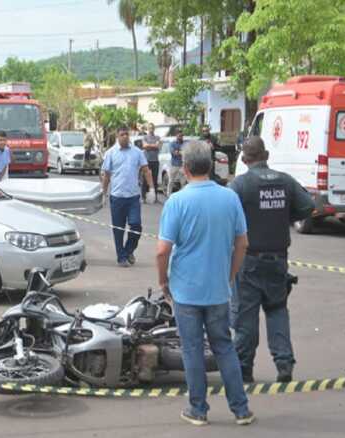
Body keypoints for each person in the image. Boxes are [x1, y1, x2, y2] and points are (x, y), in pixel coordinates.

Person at [156, 140, 254, 427]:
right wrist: (230, 275)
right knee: (224, 346)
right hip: (218, 289)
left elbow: (162, 250)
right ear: (210, 166)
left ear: (184, 168)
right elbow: (242, 243)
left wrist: (163, 282)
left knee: (192, 349)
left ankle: (198, 409)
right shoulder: (229, 197)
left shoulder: (177, 201)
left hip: (186, 290)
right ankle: (241, 409)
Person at [229, 136, 315, 383]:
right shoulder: (285, 181)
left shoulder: (241, 185)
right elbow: (308, 205)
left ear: (244, 159)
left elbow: (226, 213)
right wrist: (286, 216)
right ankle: (284, 364)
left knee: (246, 315)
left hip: (249, 260)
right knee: (277, 310)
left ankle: (244, 369)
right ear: (266, 155)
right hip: (278, 259)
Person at [101, 126, 155, 268]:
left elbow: (146, 170)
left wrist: (152, 189)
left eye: (126, 134)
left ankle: (128, 250)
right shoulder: (110, 153)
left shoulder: (137, 153)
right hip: (117, 197)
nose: (125, 136)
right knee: (118, 229)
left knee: (136, 226)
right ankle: (121, 258)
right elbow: (106, 176)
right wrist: (103, 194)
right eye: (122, 134)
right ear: (117, 136)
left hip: (133, 197)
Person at [141, 123, 161, 203]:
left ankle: (155, 197)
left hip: (155, 161)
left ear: (154, 128)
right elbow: (144, 146)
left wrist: (149, 146)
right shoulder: (145, 137)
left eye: (152, 128)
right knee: (145, 179)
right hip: (147, 161)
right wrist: (153, 145)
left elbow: (158, 146)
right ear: (147, 129)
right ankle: (143, 197)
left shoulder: (157, 137)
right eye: (149, 128)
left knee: (155, 179)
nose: (151, 129)